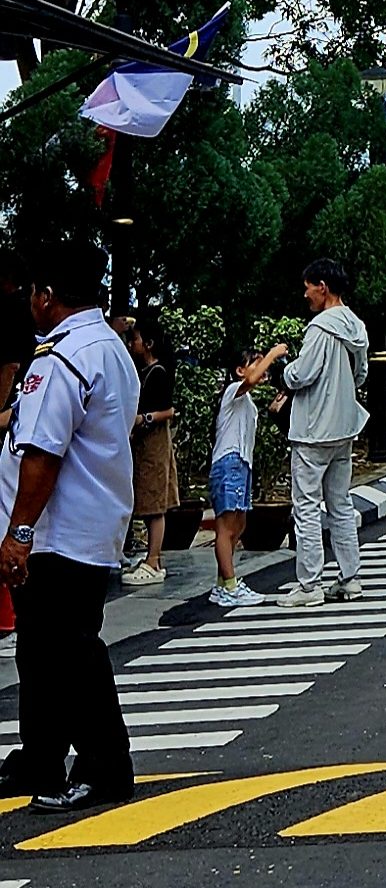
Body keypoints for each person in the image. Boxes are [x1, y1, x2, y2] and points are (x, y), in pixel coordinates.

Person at [0, 248, 139, 811]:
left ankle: (106, 767)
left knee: (70, 652)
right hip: (87, 526)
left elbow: (42, 453)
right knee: (39, 651)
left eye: (33, 292)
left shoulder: (62, 357)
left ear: (48, 295)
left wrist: (19, 533)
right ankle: (41, 756)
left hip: (57, 535)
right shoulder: (109, 347)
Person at [276, 259, 370, 608]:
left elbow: (303, 374)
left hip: (313, 429)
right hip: (344, 426)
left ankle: (309, 584)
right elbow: (361, 374)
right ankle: (350, 577)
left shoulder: (320, 328)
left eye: (308, 288)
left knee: (306, 507)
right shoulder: (356, 326)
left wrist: (282, 371)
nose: (306, 295)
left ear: (322, 287)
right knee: (340, 503)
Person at [207, 344, 287, 607]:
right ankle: (230, 586)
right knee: (226, 526)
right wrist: (273, 354)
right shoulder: (233, 390)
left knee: (238, 524)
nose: (262, 367)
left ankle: (223, 584)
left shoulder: (247, 401)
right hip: (229, 462)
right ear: (240, 370)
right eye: (256, 361)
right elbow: (251, 380)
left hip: (241, 464)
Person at [120, 321, 177, 587]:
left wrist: (143, 419)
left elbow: (168, 410)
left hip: (154, 444)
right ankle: (151, 559)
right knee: (145, 498)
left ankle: (153, 560)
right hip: (143, 443)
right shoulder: (143, 371)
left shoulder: (158, 372)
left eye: (136, 339)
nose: (133, 344)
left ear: (149, 344)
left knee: (154, 503)